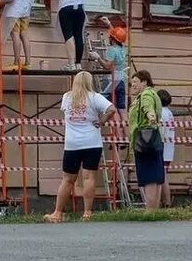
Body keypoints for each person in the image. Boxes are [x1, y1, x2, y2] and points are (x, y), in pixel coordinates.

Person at [44, 71, 116, 223]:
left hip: (72, 144)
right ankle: (87, 212)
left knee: (67, 179)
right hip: (92, 142)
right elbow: (111, 109)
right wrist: (102, 121)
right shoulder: (94, 97)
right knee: (89, 177)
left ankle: (57, 213)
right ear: (89, 82)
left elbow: (65, 112)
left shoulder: (67, 97)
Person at [128, 70, 164, 211]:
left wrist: (151, 116)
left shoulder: (146, 95)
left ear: (144, 82)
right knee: (156, 176)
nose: (133, 85)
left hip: (144, 141)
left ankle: (150, 210)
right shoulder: (153, 94)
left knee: (149, 177)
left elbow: (147, 108)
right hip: (154, 139)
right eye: (132, 83)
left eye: (135, 82)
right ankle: (154, 210)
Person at [91, 17, 128, 111]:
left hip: (111, 81)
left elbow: (108, 66)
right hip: (120, 80)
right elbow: (117, 35)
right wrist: (109, 24)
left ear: (113, 39)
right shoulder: (122, 49)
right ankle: (124, 122)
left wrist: (98, 57)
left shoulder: (112, 50)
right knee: (121, 109)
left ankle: (113, 122)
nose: (108, 37)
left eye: (110, 36)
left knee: (110, 108)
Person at [158, 90, 176, 207]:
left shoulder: (161, 113)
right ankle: (164, 201)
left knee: (161, 176)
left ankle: (166, 202)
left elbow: (160, 130)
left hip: (163, 147)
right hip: (169, 148)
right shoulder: (169, 113)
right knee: (163, 175)